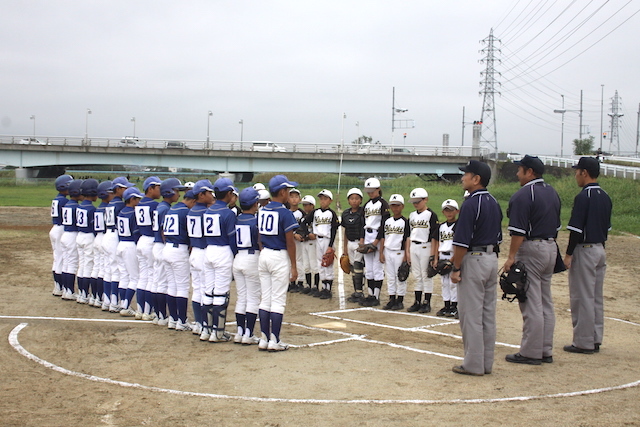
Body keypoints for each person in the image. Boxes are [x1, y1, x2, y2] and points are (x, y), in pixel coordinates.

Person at [503, 155, 561, 365]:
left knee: (530, 301)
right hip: (551, 247)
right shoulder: (552, 192)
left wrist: (511, 257)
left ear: (530, 172)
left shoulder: (523, 194)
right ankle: (545, 349)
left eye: (520, 170)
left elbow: (518, 232)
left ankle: (531, 352)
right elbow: (556, 226)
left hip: (532, 248)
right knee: (545, 300)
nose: (517, 173)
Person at [450, 160, 502, 376]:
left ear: (476, 179)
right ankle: (485, 363)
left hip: (474, 259)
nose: (463, 177)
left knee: (470, 315)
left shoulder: (471, 203)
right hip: (491, 259)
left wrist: (455, 267)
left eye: (466, 174)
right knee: (487, 314)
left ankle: (473, 364)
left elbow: (461, 243)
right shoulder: (493, 201)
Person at [563, 157, 612, 354]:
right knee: (595, 297)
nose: (576, 175)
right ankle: (595, 338)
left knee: (582, 296)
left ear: (584, 172)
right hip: (600, 248)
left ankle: (583, 341)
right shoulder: (605, 196)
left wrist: (568, 254)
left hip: (584, 249)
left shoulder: (583, 197)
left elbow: (575, 230)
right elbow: (606, 228)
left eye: (577, 171)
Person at [257, 175, 299, 351]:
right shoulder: (285, 213)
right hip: (279, 256)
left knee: (265, 299)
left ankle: (264, 338)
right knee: (278, 300)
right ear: (282, 192)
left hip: (265, 254)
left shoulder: (263, 210)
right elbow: (290, 242)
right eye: (288, 191)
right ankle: (275, 340)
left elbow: (259, 237)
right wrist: (294, 266)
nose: (289, 193)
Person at [200, 178, 238, 342]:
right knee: (221, 293)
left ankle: (206, 330)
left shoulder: (208, 210)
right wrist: (235, 255)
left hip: (209, 250)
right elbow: (232, 239)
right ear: (229, 193)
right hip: (222, 251)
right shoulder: (227, 213)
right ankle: (218, 332)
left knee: (208, 292)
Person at [162, 184, 194, 331]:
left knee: (171, 286)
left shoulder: (172, 209)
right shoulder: (185, 212)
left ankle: (173, 319)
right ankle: (182, 320)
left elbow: (163, 231)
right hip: (179, 249)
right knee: (181, 287)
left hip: (167, 247)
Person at [232, 187, 262, 344]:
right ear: (254, 203)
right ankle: (248, 334)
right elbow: (260, 242)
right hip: (252, 257)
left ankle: (240, 332)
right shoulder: (256, 221)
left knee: (241, 297)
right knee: (253, 298)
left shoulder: (237, 219)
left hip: (238, 258)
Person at [152, 178, 183, 325]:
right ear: (168, 192)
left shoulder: (162, 206)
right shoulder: (165, 208)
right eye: (176, 191)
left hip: (157, 245)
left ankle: (160, 315)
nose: (178, 194)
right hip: (162, 245)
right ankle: (163, 315)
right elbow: (165, 231)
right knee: (163, 283)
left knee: (160, 282)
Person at [187, 179, 215, 336]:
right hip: (204, 252)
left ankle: (199, 323)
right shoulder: (206, 212)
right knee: (206, 290)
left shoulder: (192, 210)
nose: (211, 195)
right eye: (209, 192)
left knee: (197, 289)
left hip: (194, 252)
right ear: (201, 194)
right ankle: (206, 325)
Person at [103, 177, 135, 312]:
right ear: (118, 189)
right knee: (117, 271)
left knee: (109, 270)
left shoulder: (110, 203)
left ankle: (108, 301)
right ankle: (115, 302)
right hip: (115, 237)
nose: (126, 190)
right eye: (124, 188)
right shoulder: (121, 205)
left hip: (107, 235)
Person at [407, 188, 439, 313]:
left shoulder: (431, 215)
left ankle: (427, 302)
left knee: (426, 275)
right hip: (413, 246)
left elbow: (435, 236)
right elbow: (410, 234)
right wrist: (408, 252)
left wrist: (433, 255)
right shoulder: (412, 215)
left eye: (418, 201)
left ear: (425, 200)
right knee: (417, 276)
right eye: (414, 202)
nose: (416, 204)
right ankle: (417, 301)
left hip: (426, 246)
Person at [135, 177, 162, 321]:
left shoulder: (139, 204)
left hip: (142, 240)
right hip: (151, 240)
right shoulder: (155, 205)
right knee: (152, 277)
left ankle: (140, 310)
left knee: (143, 276)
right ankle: (148, 310)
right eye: (158, 187)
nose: (160, 190)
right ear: (150, 188)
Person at [360, 177, 389, 307]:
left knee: (377, 268)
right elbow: (363, 224)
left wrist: (376, 242)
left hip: (378, 237)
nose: (370, 193)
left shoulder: (383, 204)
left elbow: (384, 225)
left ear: (378, 189)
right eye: (368, 191)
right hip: (367, 235)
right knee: (369, 269)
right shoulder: (366, 205)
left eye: (372, 190)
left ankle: (376, 296)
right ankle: (370, 294)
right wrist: (362, 242)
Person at [116, 187, 144, 317]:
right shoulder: (133, 213)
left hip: (120, 244)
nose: (139, 201)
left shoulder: (121, 211)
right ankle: (126, 306)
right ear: (132, 199)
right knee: (134, 277)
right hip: (129, 245)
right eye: (137, 199)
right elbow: (135, 233)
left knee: (124, 276)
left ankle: (123, 304)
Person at [380, 194, 410, 310]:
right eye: (393, 205)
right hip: (388, 251)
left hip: (399, 252)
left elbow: (407, 238)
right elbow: (383, 237)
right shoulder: (387, 221)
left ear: (402, 206)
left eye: (397, 206)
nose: (395, 208)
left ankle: (400, 300)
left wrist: (406, 255)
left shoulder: (405, 222)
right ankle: (392, 299)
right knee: (391, 277)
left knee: (401, 276)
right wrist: (381, 252)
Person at [310, 189, 339, 299]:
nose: (322, 201)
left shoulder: (332, 214)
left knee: (328, 263)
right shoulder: (315, 212)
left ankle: (328, 289)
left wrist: (330, 246)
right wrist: (309, 234)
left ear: (330, 201)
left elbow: (334, 230)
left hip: (327, 240)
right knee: (320, 264)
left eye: (325, 199)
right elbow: (304, 222)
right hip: (318, 239)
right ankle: (323, 287)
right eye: (321, 199)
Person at [59, 179, 84, 300]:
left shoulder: (68, 204)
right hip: (73, 234)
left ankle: (65, 289)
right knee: (73, 264)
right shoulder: (77, 207)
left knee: (67, 263)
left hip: (65, 234)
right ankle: (70, 291)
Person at [75, 179, 99, 304]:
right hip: (89, 236)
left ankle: (82, 293)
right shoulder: (92, 208)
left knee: (82, 265)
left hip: (79, 235)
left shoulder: (80, 206)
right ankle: (87, 295)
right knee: (89, 265)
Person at [435, 199, 459, 318]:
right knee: (444, 283)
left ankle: (454, 306)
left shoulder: (459, 225)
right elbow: (437, 242)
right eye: (446, 210)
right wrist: (435, 259)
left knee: (453, 283)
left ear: (456, 211)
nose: (449, 213)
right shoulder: (441, 226)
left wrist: (452, 260)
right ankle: (447, 305)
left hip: (453, 256)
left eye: (451, 210)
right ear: (443, 212)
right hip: (443, 255)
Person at [50, 174, 73, 297]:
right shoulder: (65, 201)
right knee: (61, 259)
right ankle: (60, 287)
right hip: (61, 229)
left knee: (57, 257)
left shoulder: (57, 198)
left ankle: (57, 286)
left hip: (55, 228)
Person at [341, 188, 365, 303]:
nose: (354, 201)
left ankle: (360, 291)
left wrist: (362, 242)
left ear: (360, 200)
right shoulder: (345, 213)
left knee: (358, 266)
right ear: (348, 200)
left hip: (358, 243)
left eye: (357, 198)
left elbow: (363, 228)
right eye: (352, 198)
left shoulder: (362, 212)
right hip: (350, 242)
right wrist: (344, 247)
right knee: (351, 267)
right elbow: (345, 231)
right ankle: (356, 291)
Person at [93, 180, 113, 310]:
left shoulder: (98, 207)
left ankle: (96, 297)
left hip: (97, 238)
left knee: (98, 267)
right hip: (106, 237)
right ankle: (104, 298)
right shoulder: (108, 208)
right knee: (107, 270)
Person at [297, 195, 320, 294]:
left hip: (312, 242)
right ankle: (309, 285)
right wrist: (304, 234)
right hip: (304, 242)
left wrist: (309, 234)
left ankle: (315, 286)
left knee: (314, 264)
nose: (305, 207)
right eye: (304, 205)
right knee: (306, 265)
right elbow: (301, 228)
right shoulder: (303, 218)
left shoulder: (316, 216)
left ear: (312, 205)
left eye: (307, 205)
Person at [288, 188, 306, 293]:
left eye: (296, 197)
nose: (294, 199)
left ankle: (300, 281)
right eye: (291, 196)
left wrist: (301, 235)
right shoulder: (286, 212)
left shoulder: (302, 213)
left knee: (299, 260)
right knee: (290, 260)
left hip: (299, 240)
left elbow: (304, 227)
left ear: (299, 199)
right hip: (289, 239)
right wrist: (294, 234)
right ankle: (291, 282)